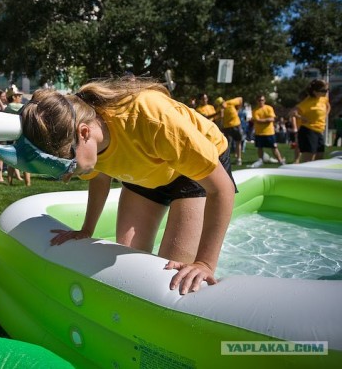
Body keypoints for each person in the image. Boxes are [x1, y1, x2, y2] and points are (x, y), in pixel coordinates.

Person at [12, 77, 236, 296]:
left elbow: (221, 189)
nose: (66, 177)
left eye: (66, 165)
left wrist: (205, 262)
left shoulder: (149, 117)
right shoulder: (85, 140)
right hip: (144, 171)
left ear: (84, 132)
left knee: (173, 278)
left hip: (193, 173)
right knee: (132, 267)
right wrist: (87, 229)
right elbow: (99, 178)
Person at [289, 79, 331, 162]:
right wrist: (301, 118)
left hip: (319, 131)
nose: (326, 92)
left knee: (320, 156)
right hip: (308, 131)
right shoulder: (307, 102)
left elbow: (328, 106)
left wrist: (325, 115)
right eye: (323, 90)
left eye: (327, 90)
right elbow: (292, 112)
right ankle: (304, 173)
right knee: (309, 158)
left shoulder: (324, 99)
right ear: (315, 92)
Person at [4, 84, 31, 186]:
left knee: (11, 160)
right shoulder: (14, 106)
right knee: (25, 159)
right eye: (19, 96)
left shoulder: (7, 107)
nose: (20, 98)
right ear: (14, 97)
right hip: (20, 136)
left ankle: (10, 181)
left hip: (10, 136)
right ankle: (27, 183)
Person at [250, 94, 285, 167]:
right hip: (259, 133)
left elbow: (272, 119)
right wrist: (266, 120)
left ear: (265, 100)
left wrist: (261, 120)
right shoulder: (255, 110)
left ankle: (280, 161)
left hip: (269, 132)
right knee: (260, 148)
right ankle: (260, 160)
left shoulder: (269, 108)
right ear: (257, 101)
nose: (261, 102)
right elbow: (257, 120)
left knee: (274, 147)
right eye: (259, 100)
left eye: (262, 100)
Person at [215, 96, 244, 166]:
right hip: (226, 128)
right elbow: (218, 120)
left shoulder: (230, 102)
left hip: (236, 125)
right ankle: (225, 160)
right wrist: (221, 114)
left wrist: (238, 108)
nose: (222, 105)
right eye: (220, 104)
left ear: (224, 101)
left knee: (238, 142)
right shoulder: (219, 109)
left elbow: (240, 99)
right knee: (226, 144)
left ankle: (238, 158)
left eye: (222, 103)